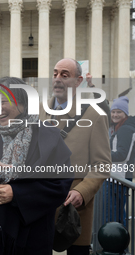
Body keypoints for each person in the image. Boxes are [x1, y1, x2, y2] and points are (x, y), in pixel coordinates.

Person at [0, 77, 73, 254]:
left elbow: (61, 184)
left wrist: (17, 194)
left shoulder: (48, 135)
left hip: (33, 236)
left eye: (4, 101)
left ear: (23, 103)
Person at [39, 58, 111, 255]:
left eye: (64, 75)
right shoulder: (41, 111)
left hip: (72, 212)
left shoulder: (94, 115)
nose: (57, 79)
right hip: (40, 207)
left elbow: (102, 164)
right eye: (55, 74)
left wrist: (82, 191)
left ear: (78, 81)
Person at [106, 96, 135, 224]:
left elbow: (122, 155)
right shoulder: (121, 127)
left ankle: (115, 242)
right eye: (113, 111)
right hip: (118, 178)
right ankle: (120, 242)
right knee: (117, 214)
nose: (115, 114)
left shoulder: (125, 130)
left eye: (119, 112)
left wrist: (101, 155)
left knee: (111, 215)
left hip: (118, 178)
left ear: (125, 114)